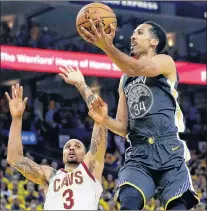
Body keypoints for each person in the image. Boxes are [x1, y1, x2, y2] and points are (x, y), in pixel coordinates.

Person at [78, 19, 200, 210]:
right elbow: (123, 126)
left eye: (140, 32)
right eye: (134, 33)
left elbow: (138, 68)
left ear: (154, 42)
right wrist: (104, 120)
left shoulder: (165, 61)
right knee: (129, 201)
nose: (133, 36)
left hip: (169, 149)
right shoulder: (125, 79)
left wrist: (107, 47)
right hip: (139, 153)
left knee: (178, 207)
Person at [5, 83, 108, 210]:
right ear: (63, 155)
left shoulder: (90, 169)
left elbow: (98, 143)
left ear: (85, 154)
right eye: (67, 146)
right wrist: (16, 118)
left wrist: (101, 121)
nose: (71, 148)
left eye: (77, 146)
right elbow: (14, 158)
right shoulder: (50, 176)